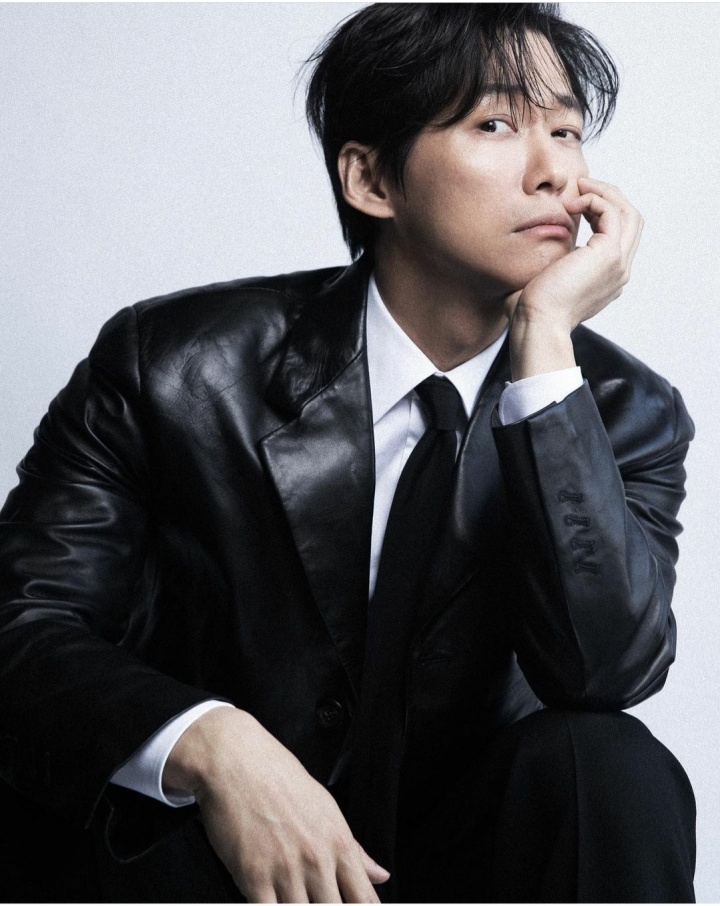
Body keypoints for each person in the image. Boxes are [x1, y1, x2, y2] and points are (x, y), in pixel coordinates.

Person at [0, 3, 696, 902]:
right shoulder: (172, 365)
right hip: (209, 866)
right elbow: (22, 627)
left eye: (566, 130)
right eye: (496, 124)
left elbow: (604, 673)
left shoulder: (624, 411)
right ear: (371, 179)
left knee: (610, 766)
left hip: (468, 866)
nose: (556, 170)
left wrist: (546, 351)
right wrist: (211, 742)